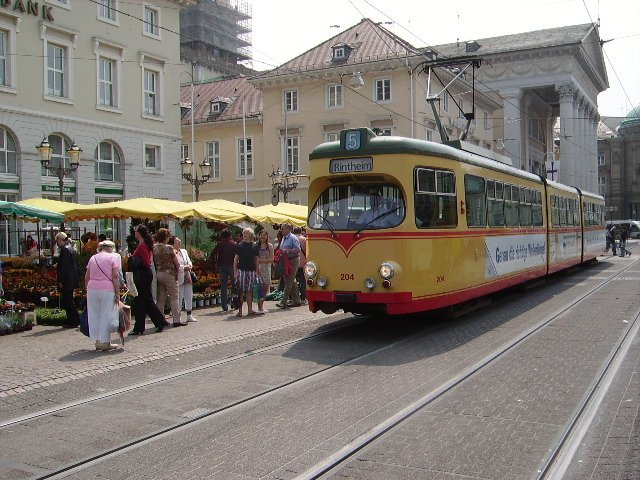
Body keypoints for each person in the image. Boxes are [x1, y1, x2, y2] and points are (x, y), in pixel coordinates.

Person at [129, 225, 170, 334]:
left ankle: (146, 326)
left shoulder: (142, 246)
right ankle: (153, 323)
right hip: (145, 274)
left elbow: (145, 262)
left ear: (140, 233)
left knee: (143, 301)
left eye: (136, 231)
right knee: (144, 301)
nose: (134, 233)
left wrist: (133, 260)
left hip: (143, 274)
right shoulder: (143, 245)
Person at [85, 240, 120, 351]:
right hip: (106, 289)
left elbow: (87, 276)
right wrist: (117, 292)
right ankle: (105, 342)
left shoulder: (93, 258)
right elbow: (115, 277)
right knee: (106, 314)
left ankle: (97, 341)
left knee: (94, 315)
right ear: (109, 247)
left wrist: (87, 289)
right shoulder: (112, 258)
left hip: (92, 288)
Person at [154, 228, 185, 327]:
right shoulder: (169, 248)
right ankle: (176, 320)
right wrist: (176, 273)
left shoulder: (154, 247)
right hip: (169, 274)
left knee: (161, 298)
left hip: (159, 273)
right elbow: (176, 263)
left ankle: (160, 320)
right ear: (166, 238)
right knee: (174, 297)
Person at [55, 232, 80, 328]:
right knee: (69, 300)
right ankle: (73, 320)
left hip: (67, 280)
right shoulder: (69, 248)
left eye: (57, 240)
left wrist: (61, 280)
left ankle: (73, 320)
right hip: (70, 279)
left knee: (68, 301)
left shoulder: (65, 250)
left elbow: (65, 267)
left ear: (61, 239)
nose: (57, 243)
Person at [233, 228, 259, 316]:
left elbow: (256, 260)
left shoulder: (255, 246)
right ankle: (240, 311)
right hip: (241, 270)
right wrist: (235, 272)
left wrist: (257, 271)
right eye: (243, 233)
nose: (244, 235)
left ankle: (249, 310)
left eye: (246, 233)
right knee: (240, 291)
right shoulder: (239, 246)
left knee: (249, 291)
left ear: (251, 235)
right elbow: (236, 259)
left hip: (251, 271)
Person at [275, 223, 302, 308]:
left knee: (289, 281)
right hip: (286, 261)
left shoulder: (293, 238)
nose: (281, 230)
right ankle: (297, 300)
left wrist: (287, 250)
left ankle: (283, 302)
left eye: (282, 229)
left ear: (288, 229)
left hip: (293, 260)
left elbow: (298, 250)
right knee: (290, 281)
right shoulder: (284, 238)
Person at [173, 236, 197, 322]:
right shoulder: (173, 253)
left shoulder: (184, 251)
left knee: (188, 295)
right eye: (177, 241)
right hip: (179, 276)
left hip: (187, 276)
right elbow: (175, 266)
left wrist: (190, 265)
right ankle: (177, 316)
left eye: (179, 240)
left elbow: (189, 260)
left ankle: (189, 314)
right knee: (179, 296)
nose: (179, 242)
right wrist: (183, 268)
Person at [212, 229, 236, 311]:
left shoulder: (220, 243)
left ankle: (224, 305)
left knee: (223, 286)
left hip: (222, 266)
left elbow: (213, 254)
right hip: (231, 266)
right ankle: (234, 302)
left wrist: (216, 263)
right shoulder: (233, 244)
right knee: (234, 285)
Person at [256, 230, 274, 315]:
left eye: (264, 235)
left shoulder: (269, 246)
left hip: (266, 269)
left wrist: (261, 260)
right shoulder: (256, 245)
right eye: (261, 235)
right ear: (258, 236)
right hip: (258, 269)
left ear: (267, 236)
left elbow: (271, 259)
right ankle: (259, 307)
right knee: (259, 288)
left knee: (265, 287)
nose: (263, 236)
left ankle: (261, 306)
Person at [293, 226, 307, 303]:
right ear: (301, 231)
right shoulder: (304, 239)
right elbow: (307, 250)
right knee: (303, 280)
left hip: (293, 263)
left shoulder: (291, 238)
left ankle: (294, 296)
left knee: (293, 280)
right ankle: (303, 297)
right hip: (303, 262)